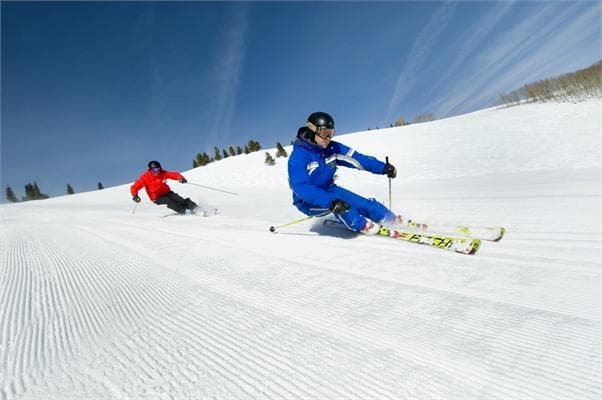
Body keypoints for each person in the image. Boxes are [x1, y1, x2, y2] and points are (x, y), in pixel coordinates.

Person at [287, 112, 402, 235]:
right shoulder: (298, 157)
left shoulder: (332, 148)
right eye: (324, 133)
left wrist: (382, 167)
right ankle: (362, 225)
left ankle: (390, 219)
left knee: (364, 204)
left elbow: (357, 159)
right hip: (307, 201)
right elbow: (301, 187)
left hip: (330, 189)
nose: (328, 138)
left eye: (331, 133)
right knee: (343, 206)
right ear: (312, 131)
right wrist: (329, 202)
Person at [131, 160, 199, 214]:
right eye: (154, 170)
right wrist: (135, 195)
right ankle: (184, 210)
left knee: (179, 199)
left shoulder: (163, 173)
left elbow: (173, 175)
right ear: (150, 170)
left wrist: (180, 178)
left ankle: (195, 208)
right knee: (169, 201)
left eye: (158, 169)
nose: (157, 172)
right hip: (156, 197)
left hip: (167, 192)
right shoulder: (145, 177)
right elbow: (135, 187)